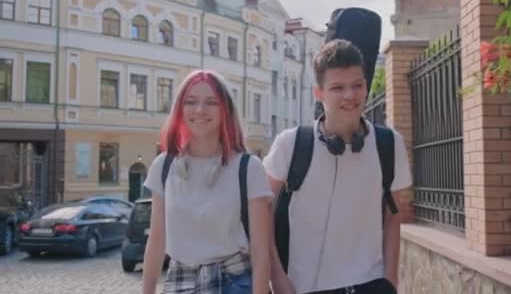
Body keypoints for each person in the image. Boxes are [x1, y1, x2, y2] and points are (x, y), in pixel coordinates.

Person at [263, 40, 413, 294]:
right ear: (319, 93)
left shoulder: (389, 143)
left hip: (371, 284)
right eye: (337, 87)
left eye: (357, 85)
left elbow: (392, 216)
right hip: (302, 287)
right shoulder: (291, 143)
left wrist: (390, 280)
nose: (350, 95)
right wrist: (277, 278)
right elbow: (261, 213)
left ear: (366, 85)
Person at [142, 70, 272, 294]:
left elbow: (261, 252)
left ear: (226, 110)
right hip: (180, 283)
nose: (200, 110)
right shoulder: (163, 167)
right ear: (180, 109)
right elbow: (156, 241)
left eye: (211, 102)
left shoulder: (248, 168)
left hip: (234, 284)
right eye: (191, 102)